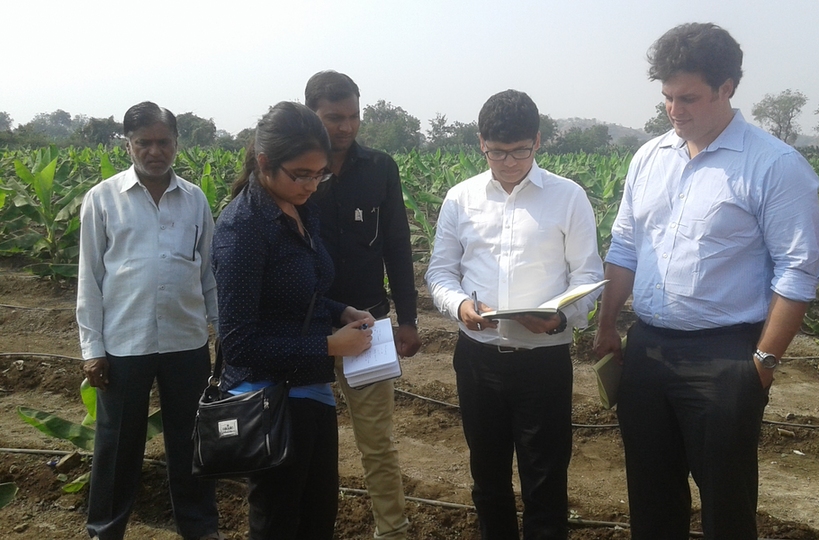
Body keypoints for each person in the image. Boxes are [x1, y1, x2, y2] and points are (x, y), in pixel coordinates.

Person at [591, 23, 819, 540]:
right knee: (651, 498)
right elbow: (626, 246)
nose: (675, 110)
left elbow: (798, 272)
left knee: (727, 504)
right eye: (668, 97)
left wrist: (761, 363)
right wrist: (608, 322)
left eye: (689, 97)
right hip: (647, 350)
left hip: (726, 356)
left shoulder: (775, 165)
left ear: (728, 88)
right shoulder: (649, 158)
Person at [426, 89, 605, 539]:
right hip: (478, 360)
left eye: (520, 151)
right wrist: (461, 305)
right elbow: (441, 272)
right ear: (481, 143)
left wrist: (559, 318)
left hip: (543, 362)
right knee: (488, 481)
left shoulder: (568, 198)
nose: (509, 162)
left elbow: (588, 276)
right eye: (498, 152)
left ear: (538, 142)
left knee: (545, 482)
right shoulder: (461, 198)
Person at [212, 101, 374, 539]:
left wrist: (339, 310)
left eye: (318, 174)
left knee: (318, 514)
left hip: (310, 391)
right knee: (278, 519)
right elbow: (240, 343)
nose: (310, 184)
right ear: (265, 163)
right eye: (300, 174)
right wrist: (329, 345)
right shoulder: (242, 227)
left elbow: (304, 290)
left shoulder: (303, 211)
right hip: (267, 400)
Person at [76, 101, 223, 540]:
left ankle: (199, 529)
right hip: (125, 344)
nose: (154, 151)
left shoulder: (195, 199)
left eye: (163, 142)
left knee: (191, 443)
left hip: (186, 341)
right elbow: (90, 278)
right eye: (144, 143)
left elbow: (208, 272)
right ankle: (105, 529)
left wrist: (223, 333)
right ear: (128, 146)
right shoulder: (102, 199)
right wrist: (92, 350)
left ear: (177, 144)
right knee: (117, 446)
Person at [303, 70, 419, 540]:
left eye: (353, 116)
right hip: (306, 329)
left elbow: (397, 243)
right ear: (312, 113)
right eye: (334, 118)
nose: (346, 127)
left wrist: (408, 318)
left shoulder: (380, 168)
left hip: (370, 324)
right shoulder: (298, 170)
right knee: (303, 441)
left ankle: (392, 530)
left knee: (377, 442)